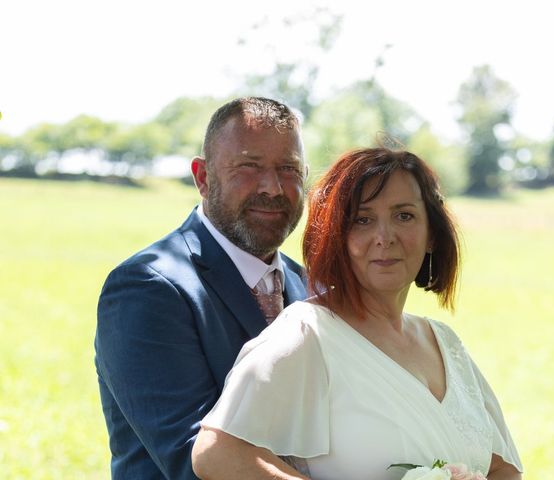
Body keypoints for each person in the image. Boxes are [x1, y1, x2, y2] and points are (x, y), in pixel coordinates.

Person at [192, 148, 524, 480]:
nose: (384, 238)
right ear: (335, 236)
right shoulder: (307, 334)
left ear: (431, 235)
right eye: (362, 220)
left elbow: (503, 468)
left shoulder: (445, 342)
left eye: (404, 215)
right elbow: (216, 453)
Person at [94, 97, 309, 479]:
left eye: (288, 169)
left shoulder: (311, 286)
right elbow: (196, 459)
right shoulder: (148, 287)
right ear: (203, 177)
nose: (273, 187)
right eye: (249, 166)